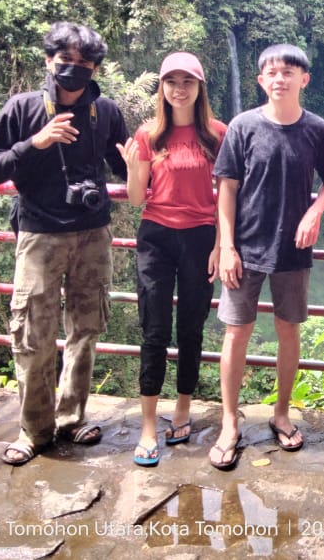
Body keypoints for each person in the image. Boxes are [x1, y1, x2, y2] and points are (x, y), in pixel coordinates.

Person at [0, 22, 128, 465]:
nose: (74, 70)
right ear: (48, 61)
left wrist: (147, 162)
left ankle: (71, 418)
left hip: (92, 233)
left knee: (86, 329)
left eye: (85, 64)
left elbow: (125, 168)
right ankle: (34, 430)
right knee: (33, 334)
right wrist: (35, 143)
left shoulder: (106, 112)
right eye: (66, 61)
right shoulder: (22, 108)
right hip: (40, 233)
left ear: (96, 68)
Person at [207, 44, 324, 471]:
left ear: (304, 79)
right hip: (244, 247)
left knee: (288, 330)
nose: (280, 78)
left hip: (293, 248)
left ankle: (281, 413)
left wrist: (315, 212)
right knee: (236, 332)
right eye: (271, 72)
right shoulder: (243, 127)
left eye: (289, 71)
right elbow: (226, 189)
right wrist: (226, 246)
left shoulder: (316, 129)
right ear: (261, 80)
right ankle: (230, 421)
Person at [117, 52, 227, 467]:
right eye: (171, 81)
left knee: (192, 328)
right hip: (157, 238)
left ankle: (182, 408)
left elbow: (226, 196)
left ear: (200, 88)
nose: (179, 89)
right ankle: (148, 427)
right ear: (161, 88)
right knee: (154, 329)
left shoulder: (217, 133)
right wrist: (131, 168)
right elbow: (135, 197)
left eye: (188, 81)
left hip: (201, 238)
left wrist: (220, 244)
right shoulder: (149, 135)